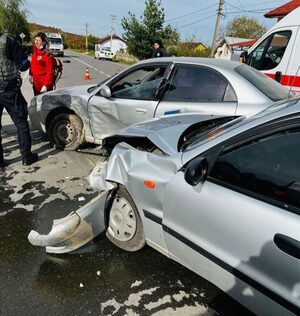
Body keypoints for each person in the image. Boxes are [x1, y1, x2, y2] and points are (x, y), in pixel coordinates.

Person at [0, 32, 39, 168]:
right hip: (9, 89)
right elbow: (23, 64)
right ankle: (26, 157)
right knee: (21, 122)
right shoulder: (8, 40)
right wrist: (25, 61)